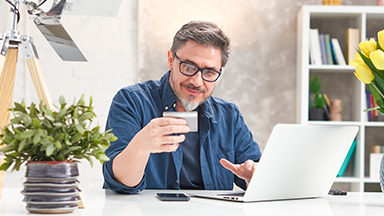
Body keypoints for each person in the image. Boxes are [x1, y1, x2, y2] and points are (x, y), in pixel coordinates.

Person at [102, 20, 261, 194]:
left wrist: (254, 174)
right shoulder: (131, 101)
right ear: (171, 60)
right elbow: (121, 182)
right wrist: (140, 147)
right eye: (188, 67)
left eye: (209, 72)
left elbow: (257, 174)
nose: (197, 81)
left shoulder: (229, 116)